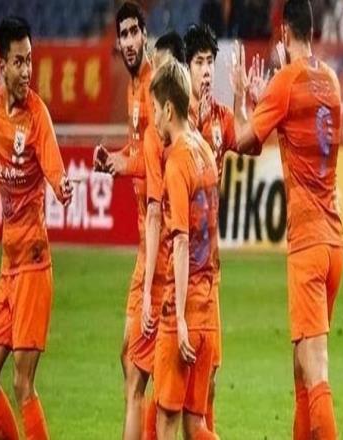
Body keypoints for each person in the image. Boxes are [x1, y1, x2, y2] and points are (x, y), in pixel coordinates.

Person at [231, 0, 343, 437]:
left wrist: (242, 96)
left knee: (315, 369)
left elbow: (243, 141)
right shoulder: (331, 80)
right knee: (301, 367)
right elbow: (296, 125)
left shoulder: (285, 81)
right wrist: (267, 100)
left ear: (283, 33)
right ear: (312, 31)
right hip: (334, 244)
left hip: (308, 244)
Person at [92, 4, 186, 438]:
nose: (129, 41)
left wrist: (123, 165)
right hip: (145, 245)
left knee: (141, 373)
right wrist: (117, 159)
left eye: (135, 32)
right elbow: (141, 152)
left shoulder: (155, 86)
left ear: (145, 35)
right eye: (123, 34)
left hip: (160, 244)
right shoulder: (134, 88)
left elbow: (158, 162)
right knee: (130, 362)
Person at [0, 16, 73, 440]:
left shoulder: (38, 115)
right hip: (8, 266)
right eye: (19, 62)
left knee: (23, 382)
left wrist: (62, 185)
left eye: (30, 61)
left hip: (35, 267)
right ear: (2, 64)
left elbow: (55, 167)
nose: (27, 71)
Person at [183, 22, 259, 433]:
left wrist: (244, 100)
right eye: (199, 62)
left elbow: (252, 144)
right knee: (174, 391)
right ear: (186, 68)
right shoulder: (176, 121)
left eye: (211, 62)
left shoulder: (220, 118)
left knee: (208, 378)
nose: (208, 71)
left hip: (210, 272)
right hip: (179, 271)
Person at [150, 59, 219, 440]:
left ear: (168, 109)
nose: (153, 119)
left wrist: (178, 319)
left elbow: (180, 241)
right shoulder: (205, 150)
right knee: (196, 425)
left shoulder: (176, 162)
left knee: (167, 420)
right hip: (209, 307)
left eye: (155, 110)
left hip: (184, 309)